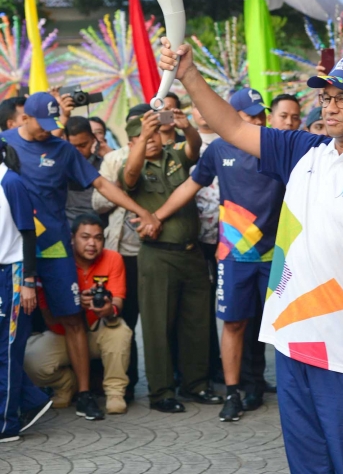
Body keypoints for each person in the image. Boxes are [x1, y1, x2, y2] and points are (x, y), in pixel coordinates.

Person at [153, 40, 343, 474]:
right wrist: (188, 74)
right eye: (326, 96)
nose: (330, 105)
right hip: (293, 345)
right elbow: (232, 127)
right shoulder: (304, 150)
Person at [2, 92, 159, 421]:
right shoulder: (5, 144)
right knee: (14, 327)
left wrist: (140, 209)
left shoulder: (62, 151)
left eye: (52, 124)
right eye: (41, 124)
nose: (47, 131)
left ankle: (85, 393)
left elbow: (101, 183)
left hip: (55, 247)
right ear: (23, 119)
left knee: (72, 318)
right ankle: (15, 399)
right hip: (15, 250)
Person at [142, 88, 285, 422]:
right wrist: (156, 216)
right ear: (232, 116)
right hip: (235, 253)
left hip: (275, 255)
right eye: (250, 114)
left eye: (260, 113)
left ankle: (294, 393)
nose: (258, 120)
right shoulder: (219, 149)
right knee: (233, 324)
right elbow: (190, 186)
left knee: (283, 326)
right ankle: (233, 393)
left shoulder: (276, 146)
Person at [119, 110, 211, 412]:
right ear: (133, 142)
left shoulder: (174, 156)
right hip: (158, 256)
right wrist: (142, 139)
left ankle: (196, 383)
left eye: (155, 133)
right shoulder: (131, 165)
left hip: (191, 252)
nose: (152, 141)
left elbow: (193, 149)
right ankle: (161, 393)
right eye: (144, 137)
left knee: (196, 323)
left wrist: (189, 129)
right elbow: (129, 178)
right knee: (158, 327)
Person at [25, 214, 132, 415]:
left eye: (98, 238)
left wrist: (109, 308)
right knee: (31, 360)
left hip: (97, 329)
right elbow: (50, 320)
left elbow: (118, 300)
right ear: (72, 238)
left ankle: (115, 392)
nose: (92, 243)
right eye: (85, 237)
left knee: (120, 331)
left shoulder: (113, 258)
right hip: (65, 334)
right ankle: (67, 384)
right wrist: (73, 306)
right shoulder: (58, 264)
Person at [91, 103, 152, 401]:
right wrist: (120, 184)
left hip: (152, 253)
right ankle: (125, 384)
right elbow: (97, 203)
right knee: (124, 318)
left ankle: (160, 383)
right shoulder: (113, 160)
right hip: (120, 254)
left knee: (152, 320)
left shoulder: (160, 156)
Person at [0, 140, 52, 443]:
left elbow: (28, 233)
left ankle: (7, 424)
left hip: (13, 274)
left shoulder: (11, 182)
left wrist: (29, 281)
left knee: (8, 349)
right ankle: (32, 400)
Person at [190, 105, 222, 388]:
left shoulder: (233, 139)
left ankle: (243, 371)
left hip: (232, 237)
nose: (203, 112)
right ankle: (208, 364)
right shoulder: (186, 145)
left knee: (233, 309)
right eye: (197, 106)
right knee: (202, 307)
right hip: (198, 239)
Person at [65, 116, 103, 225]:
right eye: (73, 146)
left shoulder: (105, 165)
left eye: (83, 145)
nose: (78, 151)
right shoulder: (59, 167)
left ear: (93, 139)